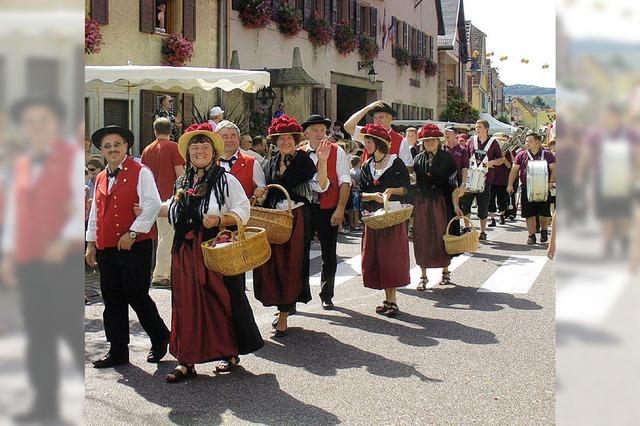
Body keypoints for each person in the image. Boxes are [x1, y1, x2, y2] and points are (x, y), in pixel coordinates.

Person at [1, 97, 84, 423]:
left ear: (55, 124)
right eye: (31, 122)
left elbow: (79, 207)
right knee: (37, 334)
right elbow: (15, 212)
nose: (36, 127)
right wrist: (8, 254)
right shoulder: (21, 163)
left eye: (43, 120)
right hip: (28, 261)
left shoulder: (72, 158)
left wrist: (62, 241)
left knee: (65, 328)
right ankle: (44, 403)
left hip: (60, 261)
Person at [159, 122, 263, 382]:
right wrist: (148, 209)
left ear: (213, 152)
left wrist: (219, 221)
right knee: (185, 303)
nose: (199, 151)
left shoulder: (225, 179)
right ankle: (186, 361)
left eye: (204, 147)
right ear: (188, 152)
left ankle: (229, 353)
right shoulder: (182, 180)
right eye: (194, 147)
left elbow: (243, 210)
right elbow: (173, 207)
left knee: (219, 300)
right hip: (184, 250)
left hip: (214, 248)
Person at [85, 126, 170, 369]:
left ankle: (160, 336)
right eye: (107, 146)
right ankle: (118, 350)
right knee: (112, 299)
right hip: (107, 247)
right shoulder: (101, 176)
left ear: (126, 147)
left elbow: (152, 204)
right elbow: (95, 214)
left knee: (137, 295)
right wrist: (91, 244)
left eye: (117, 144)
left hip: (136, 246)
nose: (113, 149)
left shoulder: (141, 171)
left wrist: (133, 232)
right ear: (101, 150)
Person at [252, 115, 330, 336]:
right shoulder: (268, 162)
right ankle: (280, 304)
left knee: (291, 264)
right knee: (272, 264)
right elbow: (262, 189)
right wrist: (260, 193)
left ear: (295, 139)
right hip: (272, 220)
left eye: (289, 138)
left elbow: (321, 186)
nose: (285, 142)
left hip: (296, 217)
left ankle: (285, 313)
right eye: (281, 138)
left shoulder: (305, 161)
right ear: (275, 141)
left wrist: (322, 161)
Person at [299, 114, 351, 309]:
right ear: (306, 133)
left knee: (329, 254)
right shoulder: (300, 152)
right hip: (305, 209)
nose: (320, 133)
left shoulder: (337, 152)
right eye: (315, 130)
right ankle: (299, 294)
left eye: (322, 130)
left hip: (328, 208)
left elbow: (345, 181)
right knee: (300, 253)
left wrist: (340, 209)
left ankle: (326, 294)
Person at [359, 124, 411, 317]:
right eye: (366, 141)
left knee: (391, 258)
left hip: (392, 217)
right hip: (374, 219)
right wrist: (372, 197)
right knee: (378, 259)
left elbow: (406, 189)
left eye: (369, 140)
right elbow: (359, 194)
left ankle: (393, 301)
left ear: (379, 143)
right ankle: (387, 300)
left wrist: (391, 192)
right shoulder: (366, 165)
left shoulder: (396, 163)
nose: (367, 144)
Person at [412, 124, 460, 290]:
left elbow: (453, 184)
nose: (430, 142)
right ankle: (423, 276)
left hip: (441, 202)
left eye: (433, 140)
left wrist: (456, 205)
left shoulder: (447, 158)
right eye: (426, 140)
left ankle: (445, 272)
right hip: (422, 203)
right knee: (422, 238)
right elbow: (414, 182)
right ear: (423, 142)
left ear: (439, 141)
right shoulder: (417, 159)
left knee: (442, 236)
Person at [141, 117, 186, 287]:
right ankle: (160, 274)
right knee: (167, 238)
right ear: (170, 130)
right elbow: (180, 175)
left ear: (155, 130)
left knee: (156, 237)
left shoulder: (146, 150)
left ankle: (158, 271)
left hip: (150, 199)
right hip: (169, 200)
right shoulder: (174, 147)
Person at [507, 133, 557, 245]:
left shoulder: (548, 155)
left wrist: (551, 182)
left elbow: (554, 169)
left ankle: (544, 230)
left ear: (537, 142)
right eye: (526, 141)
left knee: (544, 213)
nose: (526, 143)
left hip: (544, 187)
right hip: (526, 187)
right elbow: (514, 170)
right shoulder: (521, 155)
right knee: (529, 213)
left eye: (529, 141)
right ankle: (531, 235)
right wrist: (510, 184)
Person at [459, 120, 504, 240]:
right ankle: (467, 228)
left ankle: (483, 231)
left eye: (479, 127)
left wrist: (490, 163)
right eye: (476, 127)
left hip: (485, 179)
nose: (477, 129)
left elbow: (501, 159)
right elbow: (466, 157)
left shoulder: (493, 143)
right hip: (470, 177)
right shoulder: (471, 141)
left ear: (486, 129)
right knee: (466, 204)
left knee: (483, 206)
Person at [344, 101, 413, 170]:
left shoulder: (401, 141)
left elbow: (407, 166)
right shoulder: (367, 134)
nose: (377, 121)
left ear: (390, 119)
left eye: (381, 117)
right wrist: (367, 108)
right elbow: (348, 126)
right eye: (375, 118)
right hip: (368, 178)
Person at [216, 120, 267, 199]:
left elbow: (263, 190)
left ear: (239, 139)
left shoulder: (252, 163)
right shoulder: (211, 163)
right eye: (225, 136)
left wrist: (257, 196)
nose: (229, 140)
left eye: (233, 136)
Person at [488, 142, 512, 227]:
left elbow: (509, 166)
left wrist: (504, 157)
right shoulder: (491, 150)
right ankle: (492, 219)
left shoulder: (507, 152)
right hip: (491, 179)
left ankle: (502, 215)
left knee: (502, 200)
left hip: (502, 180)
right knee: (490, 200)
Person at [443, 125, 469, 190]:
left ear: (455, 135)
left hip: (457, 183)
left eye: (449, 132)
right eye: (445, 132)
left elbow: (465, 168)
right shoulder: (441, 148)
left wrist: (463, 183)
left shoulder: (462, 150)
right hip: (443, 183)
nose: (446, 134)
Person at [348, 156, 363, 231]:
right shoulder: (360, 171)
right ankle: (356, 223)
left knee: (351, 209)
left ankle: (352, 224)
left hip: (351, 191)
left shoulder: (350, 171)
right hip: (357, 192)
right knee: (356, 209)